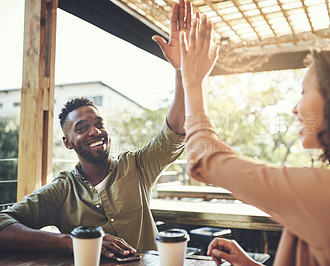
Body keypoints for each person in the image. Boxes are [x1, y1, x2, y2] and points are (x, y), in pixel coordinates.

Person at [178, 14, 330, 266]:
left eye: (304, 92)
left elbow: (206, 160)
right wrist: (248, 263)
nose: (295, 108)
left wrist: (193, 83)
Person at [0, 0, 193, 258]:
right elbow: (3, 224)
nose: (94, 131)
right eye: (82, 128)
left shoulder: (136, 166)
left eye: (99, 124)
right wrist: (73, 242)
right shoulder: (61, 191)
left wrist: (182, 71)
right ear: (68, 143)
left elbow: (174, 134)